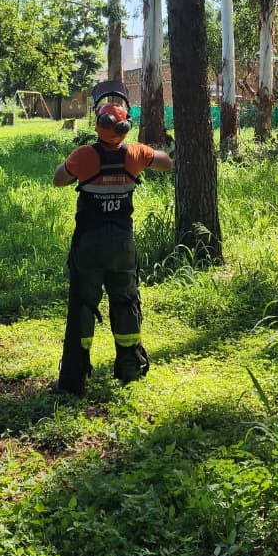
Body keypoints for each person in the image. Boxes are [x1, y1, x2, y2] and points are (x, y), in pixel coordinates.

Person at [52, 80, 173, 395]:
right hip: (122, 246)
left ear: (97, 125)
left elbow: (58, 179)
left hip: (89, 246)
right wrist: (145, 153)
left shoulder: (83, 156)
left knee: (82, 305)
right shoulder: (135, 154)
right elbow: (166, 163)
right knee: (126, 302)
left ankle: (74, 379)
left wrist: (71, 165)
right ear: (125, 127)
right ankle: (130, 368)